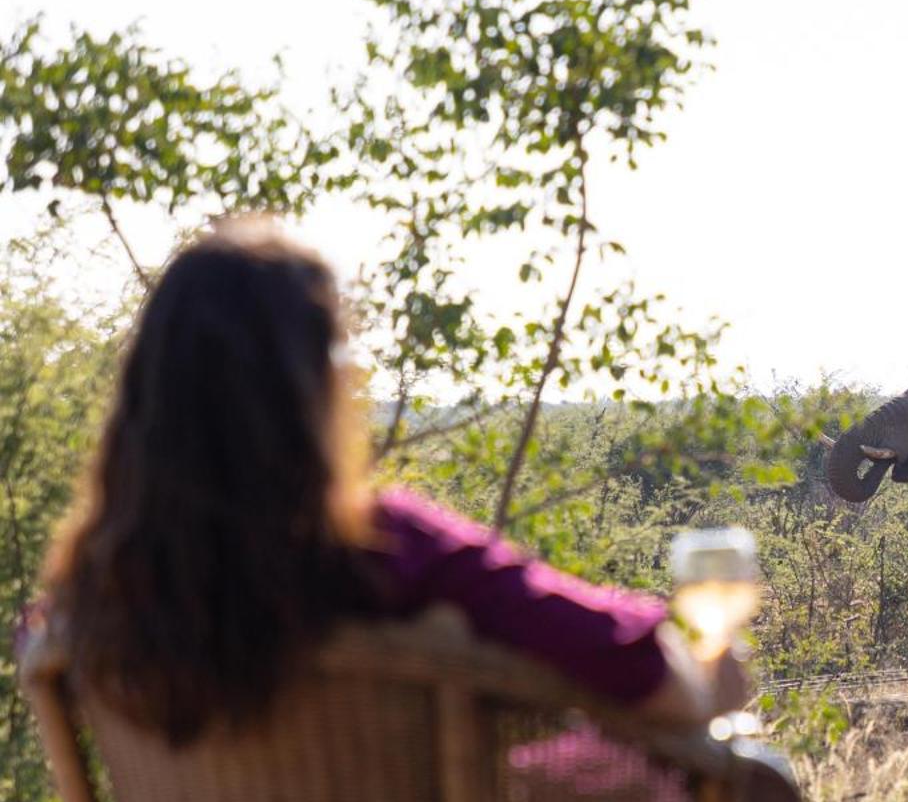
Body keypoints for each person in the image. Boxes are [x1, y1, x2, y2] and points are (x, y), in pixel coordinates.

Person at [34, 216, 748, 747]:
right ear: (313, 387)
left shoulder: (88, 604)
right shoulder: (388, 550)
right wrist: (709, 674)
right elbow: (641, 671)